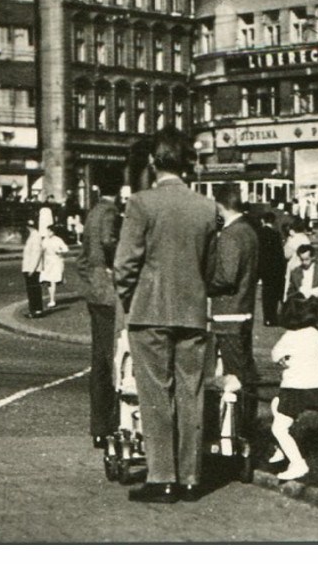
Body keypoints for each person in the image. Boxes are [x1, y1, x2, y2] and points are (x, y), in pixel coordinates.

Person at [113, 128, 219, 504]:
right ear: (187, 163)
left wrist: (130, 301)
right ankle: (191, 477)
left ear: (153, 162)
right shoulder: (208, 207)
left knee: (155, 395)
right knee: (191, 392)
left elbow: (125, 265)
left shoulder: (141, 204)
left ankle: (163, 478)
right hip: (192, 313)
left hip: (150, 312)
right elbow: (212, 268)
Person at [206, 182, 260, 442]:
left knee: (234, 377)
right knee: (245, 372)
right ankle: (244, 428)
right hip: (244, 311)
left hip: (228, 314)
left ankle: (238, 433)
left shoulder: (230, 235)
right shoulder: (248, 231)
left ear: (221, 205)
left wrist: (204, 283)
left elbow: (226, 276)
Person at [78, 176, 124, 448]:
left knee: (99, 362)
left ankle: (98, 426)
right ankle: (112, 424)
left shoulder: (92, 212)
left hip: (95, 292)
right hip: (109, 294)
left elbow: (83, 257)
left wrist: (90, 280)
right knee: (113, 359)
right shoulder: (109, 212)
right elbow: (108, 242)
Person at [269, 296, 318, 481]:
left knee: (278, 428)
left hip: (296, 388)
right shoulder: (315, 333)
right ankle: (283, 447)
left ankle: (298, 464)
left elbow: (274, 355)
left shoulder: (290, 336)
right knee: (276, 404)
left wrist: (285, 360)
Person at [285, 242, 318, 352]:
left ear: (313, 257)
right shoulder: (296, 272)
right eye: (302, 259)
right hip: (303, 312)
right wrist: (298, 296)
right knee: (304, 345)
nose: (304, 262)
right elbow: (290, 292)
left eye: (307, 259)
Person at [258, 212, 286, 327]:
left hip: (264, 267)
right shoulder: (276, 234)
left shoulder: (259, 233)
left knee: (266, 294)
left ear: (263, 220)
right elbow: (280, 253)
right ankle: (273, 317)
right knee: (274, 294)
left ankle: (267, 317)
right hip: (275, 268)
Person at [20, 219, 46, 316]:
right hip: (29, 267)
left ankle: (36, 310)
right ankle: (34, 310)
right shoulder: (33, 236)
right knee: (32, 290)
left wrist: (32, 269)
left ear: (28, 227)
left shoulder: (35, 237)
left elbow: (36, 254)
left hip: (32, 269)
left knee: (34, 290)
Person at [39, 223, 69, 308]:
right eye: (47, 231)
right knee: (49, 281)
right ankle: (52, 298)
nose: (47, 233)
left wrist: (60, 251)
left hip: (56, 261)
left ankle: (52, 300)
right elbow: (42, 249)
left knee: (52, 280)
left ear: (53, 232)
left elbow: (66, 249)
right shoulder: (45, 240)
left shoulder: (58, 240)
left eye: (49, 231)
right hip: (47, 262)